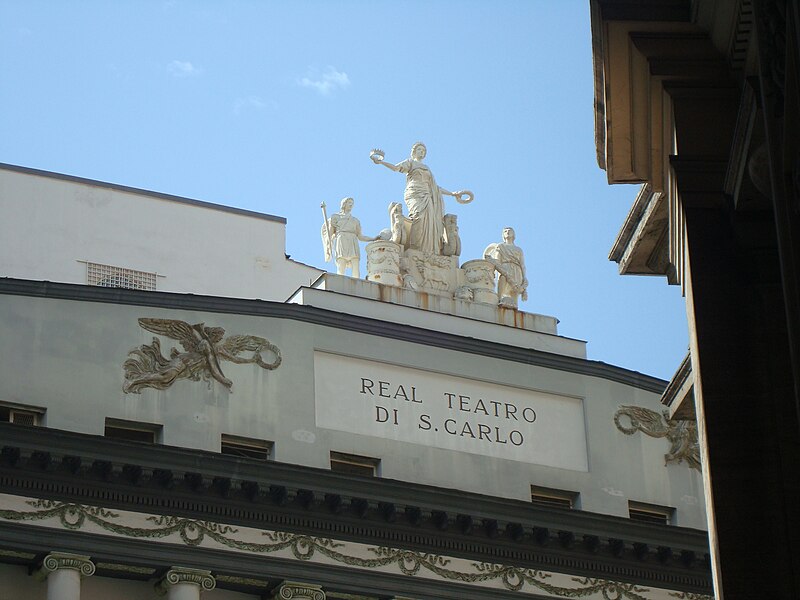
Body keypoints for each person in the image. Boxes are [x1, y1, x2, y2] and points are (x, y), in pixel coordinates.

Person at [371, 143, 470, 255]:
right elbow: (395, 168)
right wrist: (381, 162)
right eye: (419, 149)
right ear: (414, 151)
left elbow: (435, 188)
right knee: (419, 217)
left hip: (427, 194)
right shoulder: (410, 162)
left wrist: (452, 194)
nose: (422, 152)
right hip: (414, 192)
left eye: (423, 150)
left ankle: (427, 250)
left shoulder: (427, 169)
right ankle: (415, 246)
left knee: (430, 221)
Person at [321, 197, 376, 278]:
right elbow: (330, 234)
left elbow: (360, 237)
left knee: (355, 266)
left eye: (352, 203)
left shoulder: (355, 220)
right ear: (344, 204)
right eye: (349, 202)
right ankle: (340, 283)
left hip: (353, 241)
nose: (351, 205)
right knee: (341, 267)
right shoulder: (335, 217)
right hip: (341, 240)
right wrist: (328, 244)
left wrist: (373, 239)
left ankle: (357, 283)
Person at [483, 227, 528, 307]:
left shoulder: (518, 250)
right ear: (503, 235)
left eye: (510, 231)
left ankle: (515, 305)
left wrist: (524, 278)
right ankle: (499, 299)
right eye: (505, 231)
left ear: (514, 235)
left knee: (515, 290)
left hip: (517, 269)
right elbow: (497, 261)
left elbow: (522, 265)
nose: (507, 232)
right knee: (503, 279)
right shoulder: (501, 246)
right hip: (504, 267)